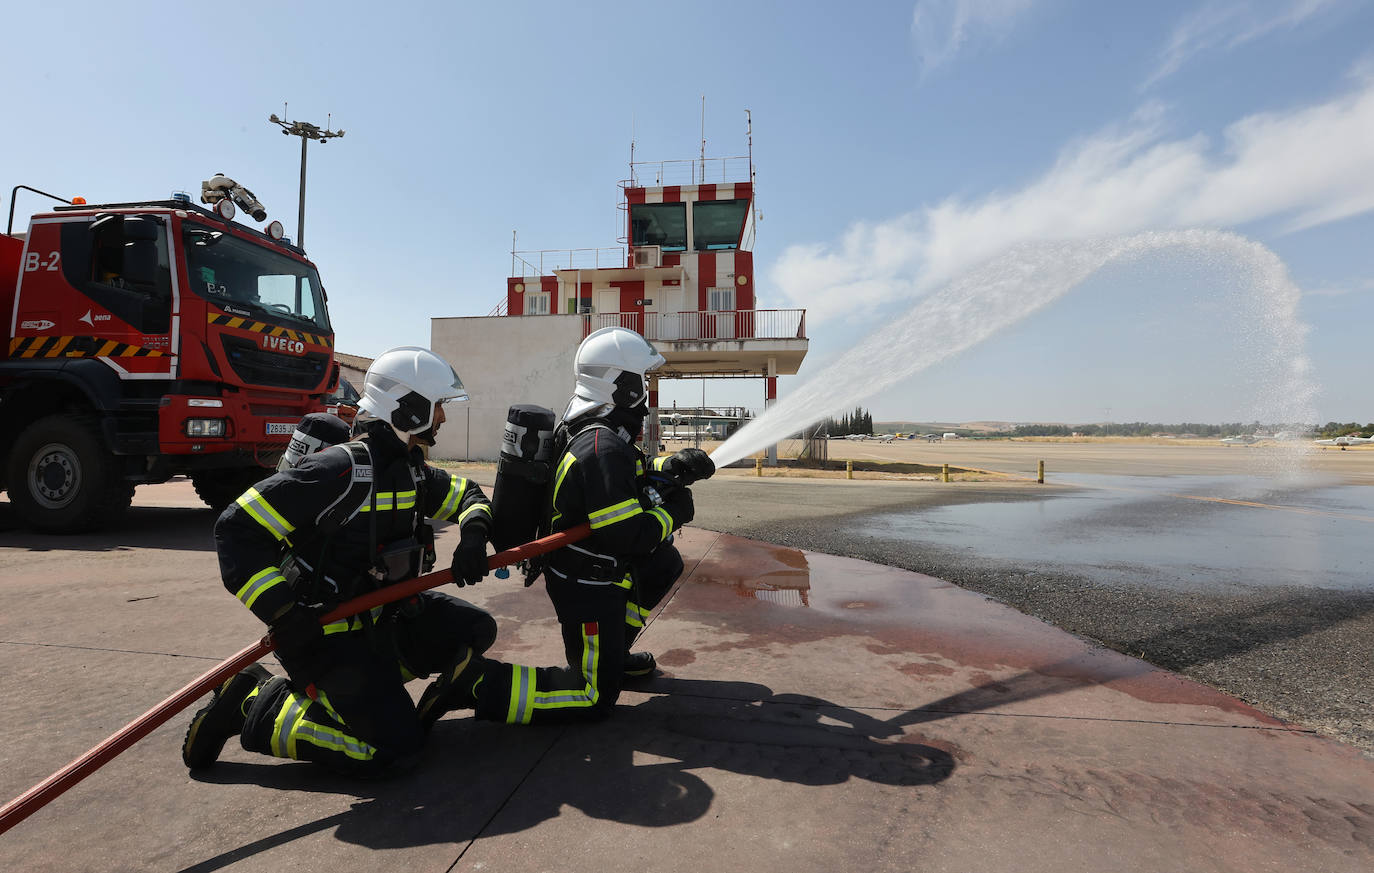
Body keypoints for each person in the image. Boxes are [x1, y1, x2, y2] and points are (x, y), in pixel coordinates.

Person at [182, 346, 499, 777]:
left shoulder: (409, 468)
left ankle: (371, 692)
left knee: (475, 628)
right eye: (437, 406)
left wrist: (474, 534)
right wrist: (282, 611)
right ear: (408, 409)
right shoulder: (338, 469)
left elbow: (466, 494)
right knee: (394, 751)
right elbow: (237, 528)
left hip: (382, 621)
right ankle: (253, 703)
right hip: (324, 636)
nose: (442, 418)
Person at [421, 327, 714, 728]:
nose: (645, 391)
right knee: (592, 698)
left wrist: (672, 468)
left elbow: (624, 482)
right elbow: (627, 534)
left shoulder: (591, 428)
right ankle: (476, 683)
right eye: (641, 380)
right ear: (623, 385)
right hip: (589, 586)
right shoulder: (602, 446)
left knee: (664, 563)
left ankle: (613, 654)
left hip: (587, 569)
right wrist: (675, 512)